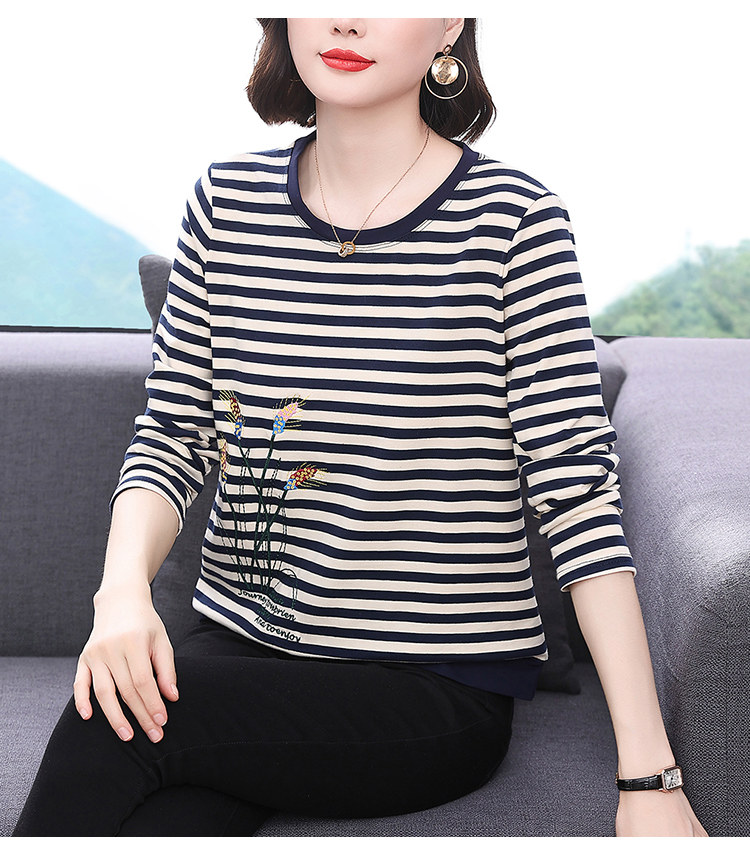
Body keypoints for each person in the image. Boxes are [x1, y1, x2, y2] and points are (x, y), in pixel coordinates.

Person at [13, 18, 708, 837]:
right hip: (243, 644)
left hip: (430, 682)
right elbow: (172, 434)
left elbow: (578, 497)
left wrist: (649, 776)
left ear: (450, 20)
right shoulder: (225, 202)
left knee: (108, 726)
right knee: (157, 815)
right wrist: (121, 593)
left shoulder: (514, 222)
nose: (346, 17)